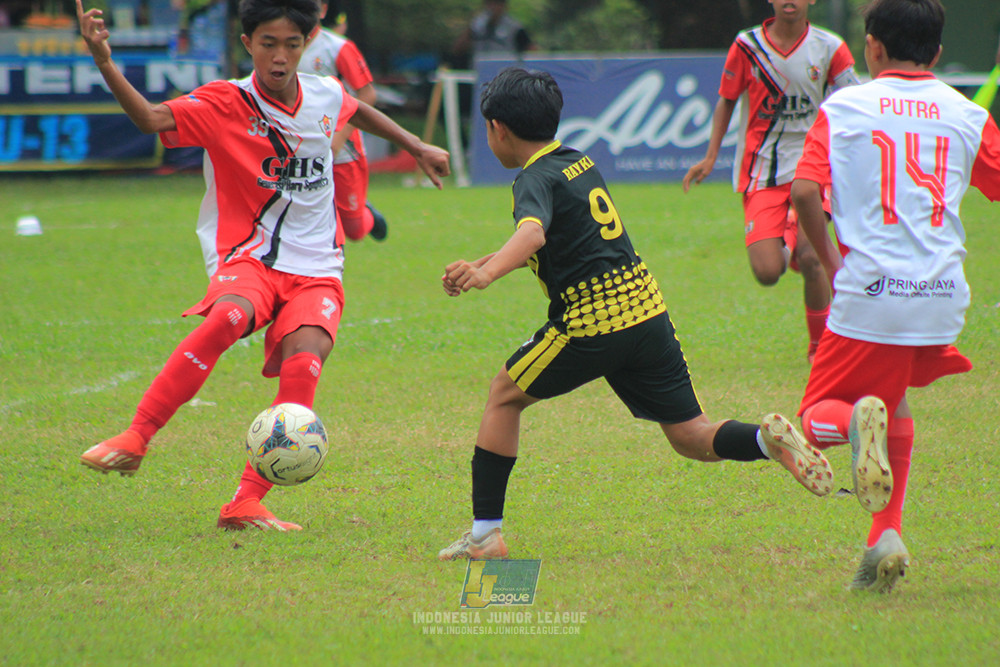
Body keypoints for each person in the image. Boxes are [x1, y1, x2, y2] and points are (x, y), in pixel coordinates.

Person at [75, 0, 450, 530]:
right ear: (247, 44)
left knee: (305, 360)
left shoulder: (322, 91)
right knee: (226, 318)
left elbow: (352, 106)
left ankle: (246, 501)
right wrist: (105, 61)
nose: (280, 57)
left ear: (307, 45)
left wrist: (415, 145)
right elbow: (151, 118)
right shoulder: (224, 101)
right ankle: (136, 436)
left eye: (292, 45)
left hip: (319, 263)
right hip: (249, 254)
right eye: (268, 44)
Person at [437, 67, 835, 561]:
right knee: (691, 436)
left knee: (503, 396)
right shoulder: (576, 162)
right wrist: (483, 262)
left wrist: (488, 274)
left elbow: (534, 235)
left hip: (594, 323)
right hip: (646, 311)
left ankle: (484, 538)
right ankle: (765, 441)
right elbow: (568, 244)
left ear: (497, 128)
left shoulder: (531, 179)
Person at [789, 0, 1000, 592]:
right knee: (894, 403)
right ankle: (884, 538)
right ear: (936, 52)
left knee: (814, 420)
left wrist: (830, 263)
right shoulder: (964, 114)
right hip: (940, 295)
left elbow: (806, 192)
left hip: (871, 292)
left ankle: (858, 427)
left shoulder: (845, 107)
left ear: (871, 47)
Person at [682, 0, 859, 364]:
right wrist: (711, 156)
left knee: (812, 259)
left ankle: (819, 349)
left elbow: (854, 104)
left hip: (814, 170)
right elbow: (726, 101)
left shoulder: (830, 48)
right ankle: (790, 230)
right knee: (767, 272)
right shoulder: (747, 46)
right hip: (761, 173)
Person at [299, 1, 388, 242]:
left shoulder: (337, 48)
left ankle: (364, 212)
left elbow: (367, 94)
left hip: (342, 146)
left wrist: (338, 139)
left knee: (355, 230)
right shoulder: (279, 46)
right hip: (298, 144)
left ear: (323, 10)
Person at [451, 0, 534, 69]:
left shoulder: (514, 27)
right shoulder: (477, 24)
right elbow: (458, 49)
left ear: (504, 6)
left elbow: (532, 51)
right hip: (480, 71)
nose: (493, 7)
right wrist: (471, 27)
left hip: (506, 73)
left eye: (496, 4)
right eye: (489, 3)